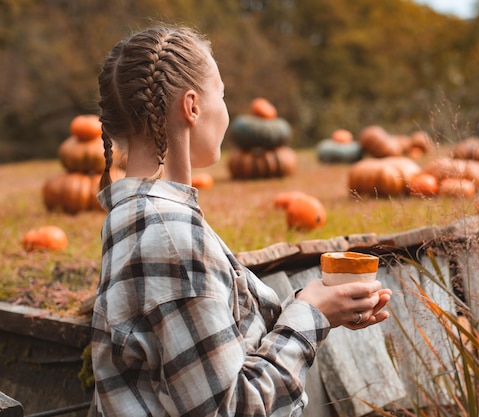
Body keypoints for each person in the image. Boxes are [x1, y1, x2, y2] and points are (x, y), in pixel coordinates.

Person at [91, 25, 392, 417]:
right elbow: (231, 408)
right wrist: (310, 318)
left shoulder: (136, 215)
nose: (227, 110)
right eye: (223, 94)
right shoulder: (170, 235)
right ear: (193, 107)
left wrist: (315, 305)